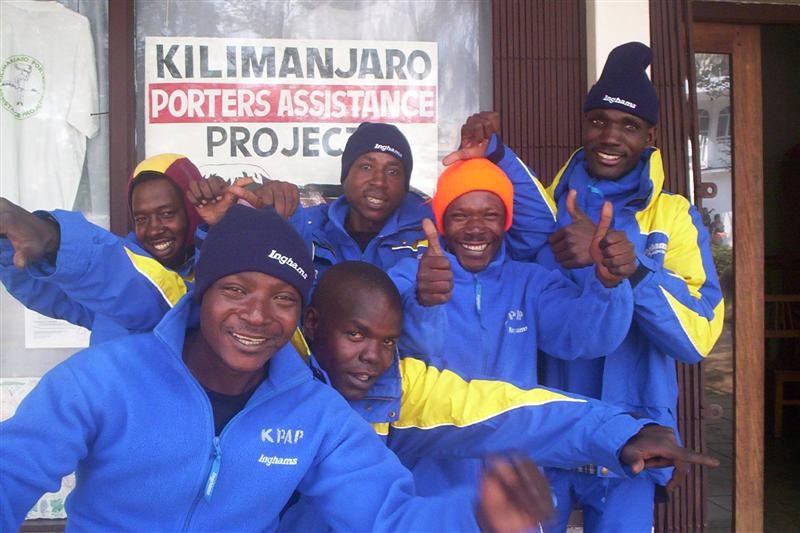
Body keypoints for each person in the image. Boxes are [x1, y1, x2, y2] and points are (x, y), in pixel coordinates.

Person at [0, 205, 550, 533]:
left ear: (301, 315)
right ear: (201, 296)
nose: (258, 315)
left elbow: (386, 516)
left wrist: (475, 517)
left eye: (283, 298)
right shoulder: (104, 380)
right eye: (236, 290)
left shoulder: (315, 415)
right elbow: (12, 470)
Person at [279, 261, 719, 531]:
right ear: (313, 324)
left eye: (388, 342)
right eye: (356, 335)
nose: (372, 357)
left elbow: (506, 410)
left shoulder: (396, 389)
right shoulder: (268, 380)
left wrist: (623, 433)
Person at [535, 42, 725, 532]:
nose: (610, 137)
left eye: (629, 126)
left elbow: (696, 337)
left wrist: (636, 270)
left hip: (638, 440)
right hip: (549, 435)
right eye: (598, 120)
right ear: (583, 125)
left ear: (650, 135)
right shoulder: (544, 209)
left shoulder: (673, 217)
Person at [387, 156, 639, 495]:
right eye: (460, 215)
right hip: (426, 482)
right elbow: (397, 359)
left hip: (512, 488)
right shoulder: (408, 275)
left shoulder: (530, 283)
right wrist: (424, 303)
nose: (476, 228)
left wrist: (607, 286)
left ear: (506, 220)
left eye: (490, 214)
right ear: (442, 222)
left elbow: (584, 339)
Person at [189, 120, 557, 278]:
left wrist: (498, 157)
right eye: (366, 166)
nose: (379, 182)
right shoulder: (306, 225)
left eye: (394, 171)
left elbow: (536, 231)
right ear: (344, 176)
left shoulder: (435, 225)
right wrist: (221, 227)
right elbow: (238, 273)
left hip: (418, 387)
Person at [0, 153, 216, 343]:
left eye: (167, 214)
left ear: (192, 212)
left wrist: (53, 237)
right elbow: (49, 292)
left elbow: (159, 298)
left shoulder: (214, 278)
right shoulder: (115, 269)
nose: (154, 229)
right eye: (141, 218)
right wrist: (8, 242)